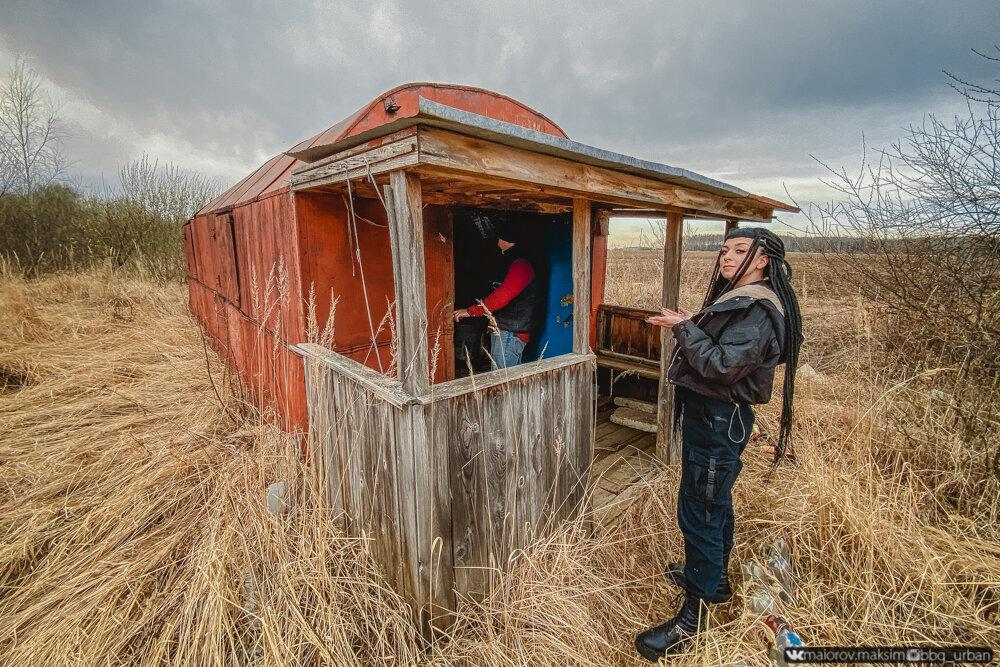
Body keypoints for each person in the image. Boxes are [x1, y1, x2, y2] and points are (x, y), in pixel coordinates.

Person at [634, 227, 804, 662]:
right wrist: (694, 325)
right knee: (712, 501)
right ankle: (716, 581)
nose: (727, 258)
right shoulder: (742, 298)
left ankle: (694, 617)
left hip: (718, 418)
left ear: (763, 259)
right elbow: (726, 353)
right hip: (713, 417)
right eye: (725, 250)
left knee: (700, 510)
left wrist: (685, 327)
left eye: (740, 251)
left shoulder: (758, 308)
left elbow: (721, 365)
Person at [453, 221, 540, 370]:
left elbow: (502, 297)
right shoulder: (516, 261)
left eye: (499, 238)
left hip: (510, 334)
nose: (497, 243)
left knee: (502, 382)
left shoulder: (521, 265)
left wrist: (470, 311)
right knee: (505, 381)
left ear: (505, 240)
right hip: (508, 331)